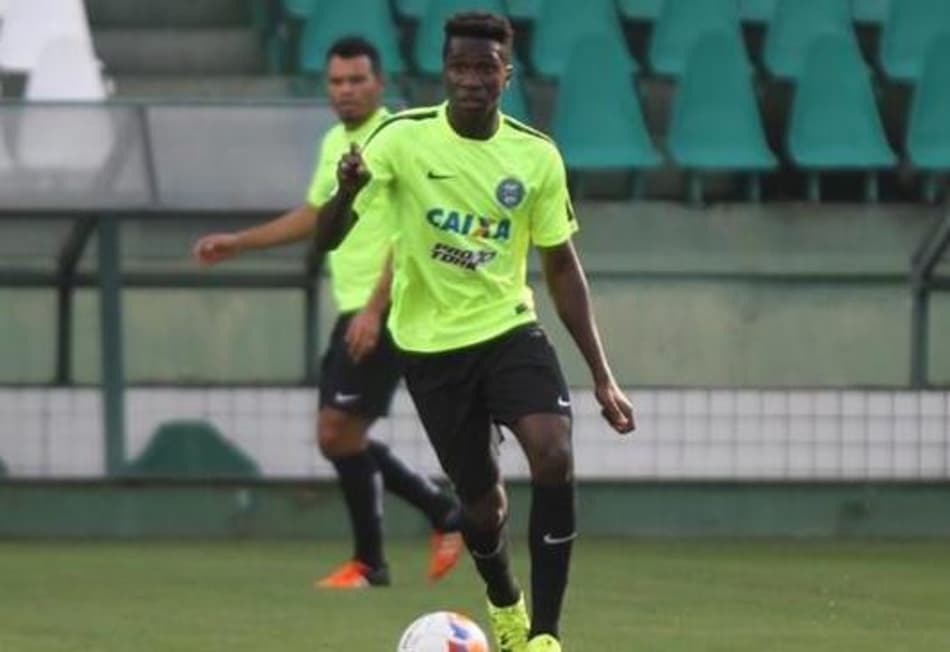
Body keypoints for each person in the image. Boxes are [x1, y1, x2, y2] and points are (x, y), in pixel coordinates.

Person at [312, 12, 636, 652]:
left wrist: (603, 375)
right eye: (459, 67)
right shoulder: (401, 141)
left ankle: (543, 637)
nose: (471, 79)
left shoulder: (535, 156)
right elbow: (326, 240)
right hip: (432, 350)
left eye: (485, 67)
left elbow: (563, 267)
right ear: (445, 72)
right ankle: (503, 602)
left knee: (554, 452)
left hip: (510, 331)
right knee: (483, 508)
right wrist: (346, 192)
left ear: (506, 75)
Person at [192, 36, 463, 589]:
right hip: (357, 309)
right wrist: (241, 242)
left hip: (388, 306)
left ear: (380, 83)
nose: (345, 91)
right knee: (338, 436)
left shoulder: (397, 139)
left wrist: (373, 307)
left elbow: (416, 231)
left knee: (337, 432)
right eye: (336, 82)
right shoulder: (336, 142)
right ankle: (432, 520)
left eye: (357, 80)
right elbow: (318, 215)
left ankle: (383, 555)